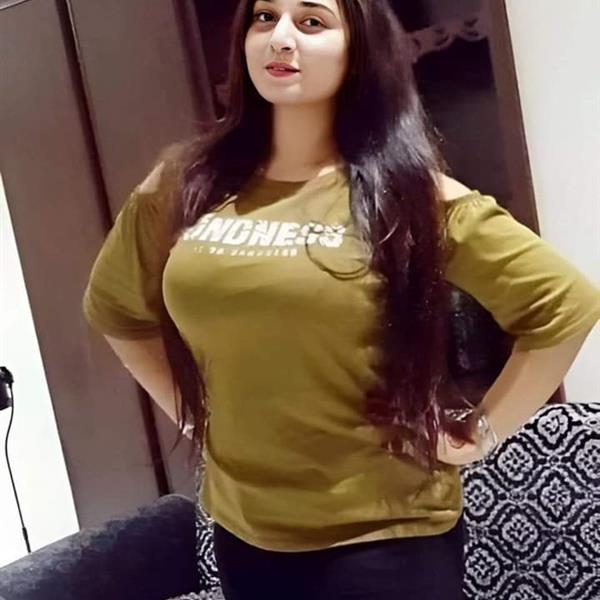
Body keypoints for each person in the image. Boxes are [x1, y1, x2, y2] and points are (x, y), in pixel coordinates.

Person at [82, 0, 600, 598]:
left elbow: (564, 305)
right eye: (264, 17)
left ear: (359, 51)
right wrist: (195, 416)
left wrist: (479, 433)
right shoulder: (186, 183)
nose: (280, 38)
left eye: (312, 22)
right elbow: (116, 309)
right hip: (245, 532)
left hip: (384, 539)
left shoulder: (406, 193)